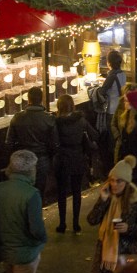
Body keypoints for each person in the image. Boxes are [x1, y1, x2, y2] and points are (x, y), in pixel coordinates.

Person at [87, 155, 137, 273]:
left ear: (126, 182)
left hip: (126, 255)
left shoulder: (136, 200)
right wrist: (102, 201)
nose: (114, 184)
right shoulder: (108, 197)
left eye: (119, 181)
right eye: (112, 180)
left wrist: (128, 228)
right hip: (104, 256)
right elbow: (92, 220)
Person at [0, 150, 47, 273]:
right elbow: (36, 229)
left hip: (5, 253)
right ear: (31, 170)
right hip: (25, 254)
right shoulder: (32, 194)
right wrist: (43, 239)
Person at [54, 94, 97, 233]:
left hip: (62, 159)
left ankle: (62, 224)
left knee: (61, 192)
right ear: (72, 105)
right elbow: (94, 134)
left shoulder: (56, 122)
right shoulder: (81, 120)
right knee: (76, 191)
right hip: (77, 157)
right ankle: (76, 224)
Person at [6, 86, 57, 198]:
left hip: (22, 160)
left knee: (22, 193)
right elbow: (55, 144)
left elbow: (9, 142)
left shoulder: (17, 118)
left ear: (28, 99)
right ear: (41, 99)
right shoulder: (49, 119)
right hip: (42, 159)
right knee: (38, 193)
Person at [96, 51, 127, 179]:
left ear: (109, 63)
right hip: (121, 109)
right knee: (118, 137)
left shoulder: (111, 76)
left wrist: (96, 89)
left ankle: (111, 169)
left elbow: (102, 91)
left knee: (111, 141)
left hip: (111, 111)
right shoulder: (122, 74)